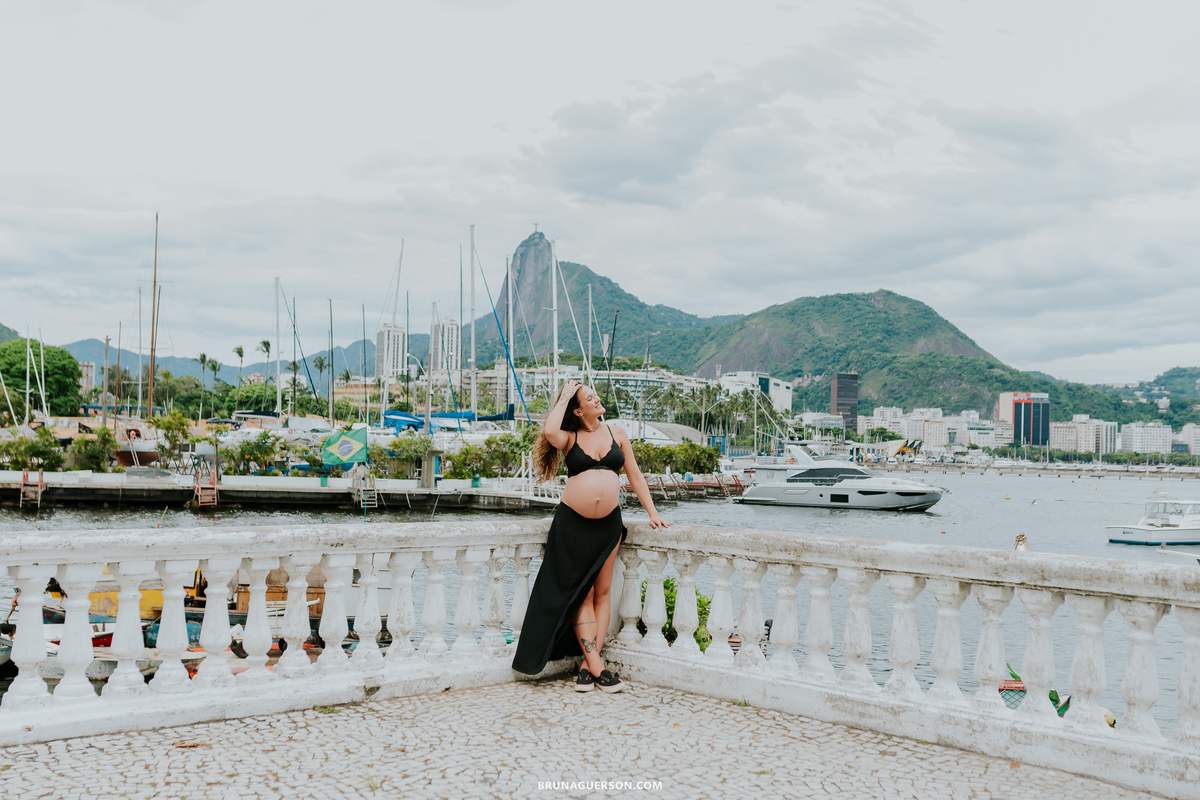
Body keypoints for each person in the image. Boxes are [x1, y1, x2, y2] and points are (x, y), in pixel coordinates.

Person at [511, 380, 672, 692]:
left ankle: (588, 665)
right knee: (581, 594)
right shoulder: (569, 437)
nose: (596, 399)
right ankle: (599, 668)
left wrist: (653, 513)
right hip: (573, 524)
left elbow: (634, 475)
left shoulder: (617, 434)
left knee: (602, 593)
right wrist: (564, 396)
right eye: (588, 397)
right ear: (577, 409)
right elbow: (548, 432)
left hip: (609, 525)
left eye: (594, 394)